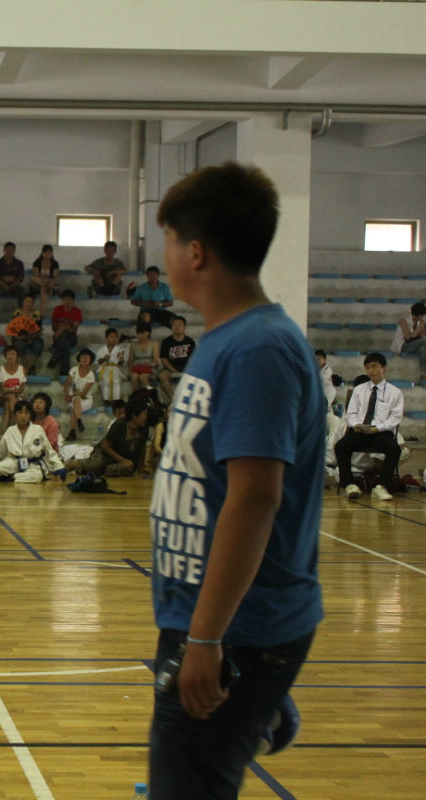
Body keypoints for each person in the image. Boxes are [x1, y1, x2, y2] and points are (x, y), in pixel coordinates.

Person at [147, 161, 324, 800]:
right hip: (222, 625)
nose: (165, 257)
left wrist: (210, 638)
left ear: (195, 252)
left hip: (234, 628)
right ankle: (256, 696)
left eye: (169, 241)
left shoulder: (257, 349)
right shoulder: (226, 342)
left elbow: (254, 499)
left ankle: (253, 688)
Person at [336, 352, 404, 502]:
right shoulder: (359, 390)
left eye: (374, 366)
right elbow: (351, 413)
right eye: (367, 367)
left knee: (394, 449)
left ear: (383, 367)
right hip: (361, 431)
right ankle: (349, 485)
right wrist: (355, 425)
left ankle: (381, 487)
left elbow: (395, 417)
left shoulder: (395, 392)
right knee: (341, 447)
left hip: (381, 433)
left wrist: (378, 428)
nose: (371, 371)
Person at [65, 394, 149, 478]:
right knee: (95, 467)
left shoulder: (144, 428)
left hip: (123, 459)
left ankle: (104, 471)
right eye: (144, 414)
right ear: (134, 416)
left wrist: (141, 470)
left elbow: (142, 449)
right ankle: (79, 463)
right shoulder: (119, 425)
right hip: (106, 455)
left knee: (126, 468)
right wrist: (122, 460)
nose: (146, 417)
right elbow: (105, 446)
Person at [0, 399, 65, 483]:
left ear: (30, 415)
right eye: (20, 413)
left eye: (26, 413)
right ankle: (14, 476)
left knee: (36, 477)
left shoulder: (38, 429)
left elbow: (49, 450)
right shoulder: (10, 430)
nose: (23, 416)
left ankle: (11, 477)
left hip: (32, 464)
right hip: (13, 462)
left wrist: (59, 467)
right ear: (15, 414)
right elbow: (0, 450)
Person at [158, 316, 196, 401]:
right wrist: (175, 371)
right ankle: (174, 400)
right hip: (170, 369)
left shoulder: (190, 342)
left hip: (186, 368)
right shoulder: (166, 341)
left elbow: (194, 359)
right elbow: (164, 360)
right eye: (174, 324)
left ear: (184, 327)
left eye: (179, 324)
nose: (177, 327)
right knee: (162, 376)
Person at [64, 348, 97, 441]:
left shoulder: (91, 375)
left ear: (90, 360)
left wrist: (72, 396)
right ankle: (79, 421)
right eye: (83, 357)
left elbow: (83, 393)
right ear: (79, 358)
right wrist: (66, 395)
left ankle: (73, 431)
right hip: (72, 397)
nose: (84, 359)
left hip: (86, 399)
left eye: (87, 357)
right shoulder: (74, 370)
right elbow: (67, 383)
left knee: (76, 402)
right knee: (75, 401)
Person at [6, 295, 44, 375]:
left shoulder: (37, 314)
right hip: (19, 337)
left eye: (30, 302)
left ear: (33, 303)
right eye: (27, 301)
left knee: (38, 346)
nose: (28, 304)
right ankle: (28, 367)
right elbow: (13, 328)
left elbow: (38, 330)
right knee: (20, 345)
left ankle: (26, 368)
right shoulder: (17, 313)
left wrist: (29, 336)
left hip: (33, 337)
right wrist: (18, 336)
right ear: (23, 303)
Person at [0, 241, 28, 320]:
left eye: (11, 250)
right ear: (4, 250)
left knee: (22, 292)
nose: (9, 252)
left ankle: (20, 315)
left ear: (14, 251)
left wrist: (13, 284)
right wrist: (4, 285)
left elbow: (20, 278)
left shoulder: (19, 263)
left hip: (15, 286)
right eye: (7, 250)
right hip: (2, 286)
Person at [391, 301, 426, 382]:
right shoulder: (403, 321)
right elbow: (409, 337)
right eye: (422, 315)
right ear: (418, 314)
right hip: (403, 346)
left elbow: (419, 337)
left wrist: (423, 329)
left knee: (423, 349)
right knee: (424, 341)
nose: (423, 317)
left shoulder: (419, 322)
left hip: (413, 345)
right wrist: (420, 326)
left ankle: (423, 372)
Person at [49, 289, 82, 373]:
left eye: (69, 299)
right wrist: (64, 328)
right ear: (62, 300)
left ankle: (55, 358)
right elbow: (54, 327)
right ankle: (64, 372)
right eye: (65, 299)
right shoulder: (57, 309)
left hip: (72, 337)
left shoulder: (77, 311)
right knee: (66, 344)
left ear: (73, 300)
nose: (67, 302)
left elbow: (74, 330)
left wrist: (62, 328)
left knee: (64, 335)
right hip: (59, 338)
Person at [94, 327, 129, 404]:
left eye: (116, 337)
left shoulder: (120, 349)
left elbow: (122, 363)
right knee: (105, 381)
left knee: (116, 382)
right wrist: (104, 358)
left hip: (115, 369)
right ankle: (107, 402)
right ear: (106, 338)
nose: (114, 339)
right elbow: (98, 362)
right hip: (104, 369)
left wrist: (121, 358)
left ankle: (115, 401)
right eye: (111, 337)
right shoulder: (102, 349)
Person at [129, 323, 160, 392]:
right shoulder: (133, 345)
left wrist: (149, 364)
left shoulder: (154, 344)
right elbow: (130, 361)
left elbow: (156, 361)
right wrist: (131, 369)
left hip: (150, 367)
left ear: (148, 333)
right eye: (139, 333)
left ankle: (150, 393)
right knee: (134, 377)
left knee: (143, 377)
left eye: (143, 333)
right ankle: (137, 396)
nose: (140, 335)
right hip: (137, 367)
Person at [30, 244, 60, 312]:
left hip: (48, 285)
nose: (47, 254)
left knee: (44, 289)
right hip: (38, 284)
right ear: (42, 253)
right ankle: (52, 287)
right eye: (45, 252)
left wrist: (48, 281)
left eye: (49, 252)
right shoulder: (37, 263)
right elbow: (36, 275)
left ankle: (42, 312)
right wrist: (45, 281)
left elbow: (55, 277)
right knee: (33, 279)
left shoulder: (55, 264)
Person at [0, 345, 27, 411]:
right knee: (11, 397)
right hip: (3, 397)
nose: (10, 356)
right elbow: (2, 391)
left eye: (13, 354)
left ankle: (10, 417)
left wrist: (8, 390)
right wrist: (13, 392)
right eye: (8, 354)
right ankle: (16, 416)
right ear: (5, 356)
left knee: (7, 404)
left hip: (18, 397)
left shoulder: (22, 369)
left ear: (17, 356)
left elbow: (21, 390)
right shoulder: (0, 370)